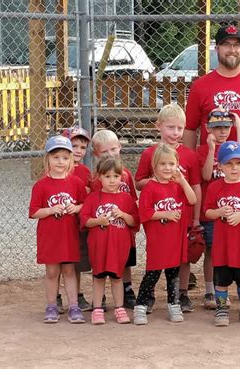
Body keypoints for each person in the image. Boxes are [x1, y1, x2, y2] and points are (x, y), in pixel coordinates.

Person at [134, 103, 201, 313]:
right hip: (159, 216)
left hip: (182, 215)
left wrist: (196, 218)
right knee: (157, 256)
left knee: (182, 256)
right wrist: (159, 181)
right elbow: (139, 182)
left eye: (180, 128)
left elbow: (196, 188)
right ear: (159, 126)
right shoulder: (150, 154)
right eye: (170, 127)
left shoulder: (189, 155)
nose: (175, 133)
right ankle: (149, 297)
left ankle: (181, 295)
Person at [183, 23, 240, 150]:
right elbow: (190, 129)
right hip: (212, 164)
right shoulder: (200, 86)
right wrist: (190, 163)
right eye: (226, 44)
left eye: (237, 45)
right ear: (217, 48)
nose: (232, 50)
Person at [204, 141, 240, 327]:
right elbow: (207, 211)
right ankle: (221, 309)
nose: (234, 167)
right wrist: (219, 212)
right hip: (223, 244)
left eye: (238, 163)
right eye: (229, 163)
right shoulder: (215, 187)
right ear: (220, 165)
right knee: (221, 279)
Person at [29, 135, 87, 323]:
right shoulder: (41, 185)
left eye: (64, 157)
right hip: (50, 237)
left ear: (70, 159)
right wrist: (50, 209)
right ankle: (51, 306)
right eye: (56, 157)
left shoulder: (76, 183)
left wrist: (76, 208)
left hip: (69, 236)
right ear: (48, 159)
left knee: (69, 271)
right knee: (52, 272)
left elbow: (85, 205)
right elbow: (34, 212)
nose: (60, 161)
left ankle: (74, 307)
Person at [80, 157, 139, 324]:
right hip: (99, 246)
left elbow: (135, 221)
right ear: (100, 177)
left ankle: (119, 308)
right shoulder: (93, 198)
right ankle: (97, 308)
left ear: (122, 177)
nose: (112, 180)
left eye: (116, 176)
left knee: (117, 277)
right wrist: (98, 221)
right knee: (98, 277)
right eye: (107, 176)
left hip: (119, 246)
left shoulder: (126, 199)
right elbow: (84, 221)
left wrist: (123, 214)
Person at [196, 109, 240, 309]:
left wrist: (239, 124)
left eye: (226, 127)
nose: (222, 132)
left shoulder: (232, 148)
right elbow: (207, 176)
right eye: (217, 128)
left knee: (229, 250)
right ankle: (210, 290)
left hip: (233, 209)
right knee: (212, 250)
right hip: (212, 209)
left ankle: (224, 289)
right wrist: (209, 149)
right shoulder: (203, 149)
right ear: (208, 129)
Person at [91, 129, 138, 309]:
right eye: (104, 151)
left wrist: (130, 222)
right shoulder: (96, 178)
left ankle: (127, 289)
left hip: (123, 225)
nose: (110, 154)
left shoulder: (125, 174)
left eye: (113, 149)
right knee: (102, 260)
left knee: (125, 259)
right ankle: (100, 295)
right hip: (103, 228)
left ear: (120, 147)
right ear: (96, 153)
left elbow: (133, 200)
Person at [58, 126, 92, 313]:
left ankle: (76, 295)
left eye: (82, 147)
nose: (78, 150)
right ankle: (55, 296)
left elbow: (89, 199)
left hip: (76, 226)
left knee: (75, 262)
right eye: (74, 145)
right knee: (56, 263)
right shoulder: (57, 169)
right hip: (57, 226)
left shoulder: (85, 171)